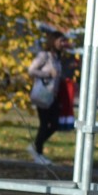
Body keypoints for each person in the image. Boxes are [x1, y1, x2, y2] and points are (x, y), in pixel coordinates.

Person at [27, 31, 69, 166]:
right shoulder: (44, 56)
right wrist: (47, 73)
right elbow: (31, 70)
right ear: (53, 41)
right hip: (43, 95)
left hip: (53, 96)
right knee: (45, 124)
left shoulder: (57, 57)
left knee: (55, 124)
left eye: (64, 41)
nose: (64, 44)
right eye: (61, 41)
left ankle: (36, 147)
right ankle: (38, 153)